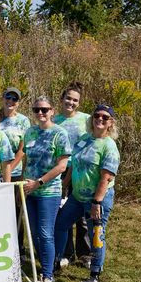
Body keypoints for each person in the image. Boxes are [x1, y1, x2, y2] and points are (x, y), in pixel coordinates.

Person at [54, 105, 120, 282]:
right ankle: (56, 261)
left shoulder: (109, 146)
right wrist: (64, 186)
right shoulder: (84, 139)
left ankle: (95, 273)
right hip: (76, 197)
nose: (100, 119)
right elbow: (73, 166)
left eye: (105, 117)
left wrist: (97, 202)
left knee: (96, 234)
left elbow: (106, 178)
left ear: (110, 123)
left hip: (96, 199)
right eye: (96, 115)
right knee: (60, 225)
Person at [22, 96, 72, 282]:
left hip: (48, 192)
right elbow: (26, 160)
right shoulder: (30, 132)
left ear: (52, 111)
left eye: (44, 110)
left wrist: (39, 182)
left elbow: (62, 165)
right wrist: (26, 184)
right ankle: (47, 262)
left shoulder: (60, 134)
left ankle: (48, 276)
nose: (40, 113)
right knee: (33, 233)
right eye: (37, 110)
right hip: (29, 190)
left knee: (45, 233)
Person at [0, 87, 31, 256]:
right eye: (8, 97)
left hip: (14, 173)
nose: (11, 102)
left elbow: (23, 149)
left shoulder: (23, 121)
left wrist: (9, 168)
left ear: (18, 102)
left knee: (14, 209)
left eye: (15, 99)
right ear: (3, 98)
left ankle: (17, 247)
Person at [53, 81, 91, 266]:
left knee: (83, 214)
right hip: (60, 170)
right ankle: (66, 253)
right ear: (62, 99)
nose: (71, 102)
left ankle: (86, 254)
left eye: (75, 100)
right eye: (68, 98)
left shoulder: (86, 119)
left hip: (80, 172)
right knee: (62, 211)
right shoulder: (55, 120)